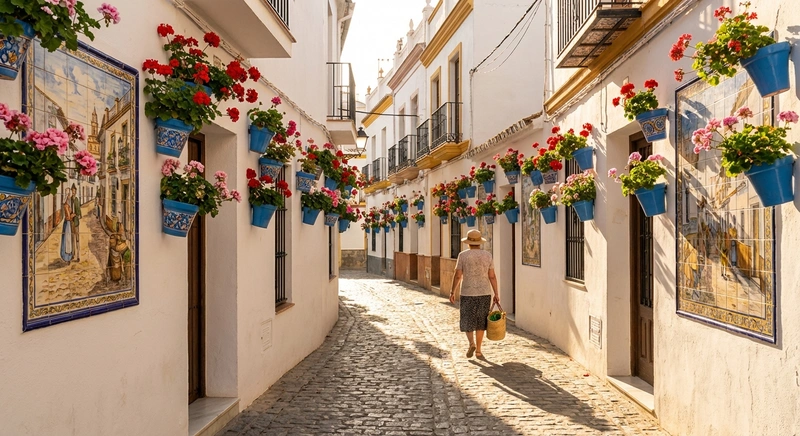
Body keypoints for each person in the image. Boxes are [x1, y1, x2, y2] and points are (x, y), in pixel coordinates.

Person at [449, 229, 499, 359]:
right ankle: (479, 350)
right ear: (479, 242)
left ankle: (471, 343)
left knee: (468, 320)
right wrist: (496, 293)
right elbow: (492, 276)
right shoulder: (488, 255)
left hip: (467, 292)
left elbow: (458, 275)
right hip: (484, 293)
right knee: (481, 322)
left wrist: (452, 291)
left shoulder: (463, 255)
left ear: (468, 242)